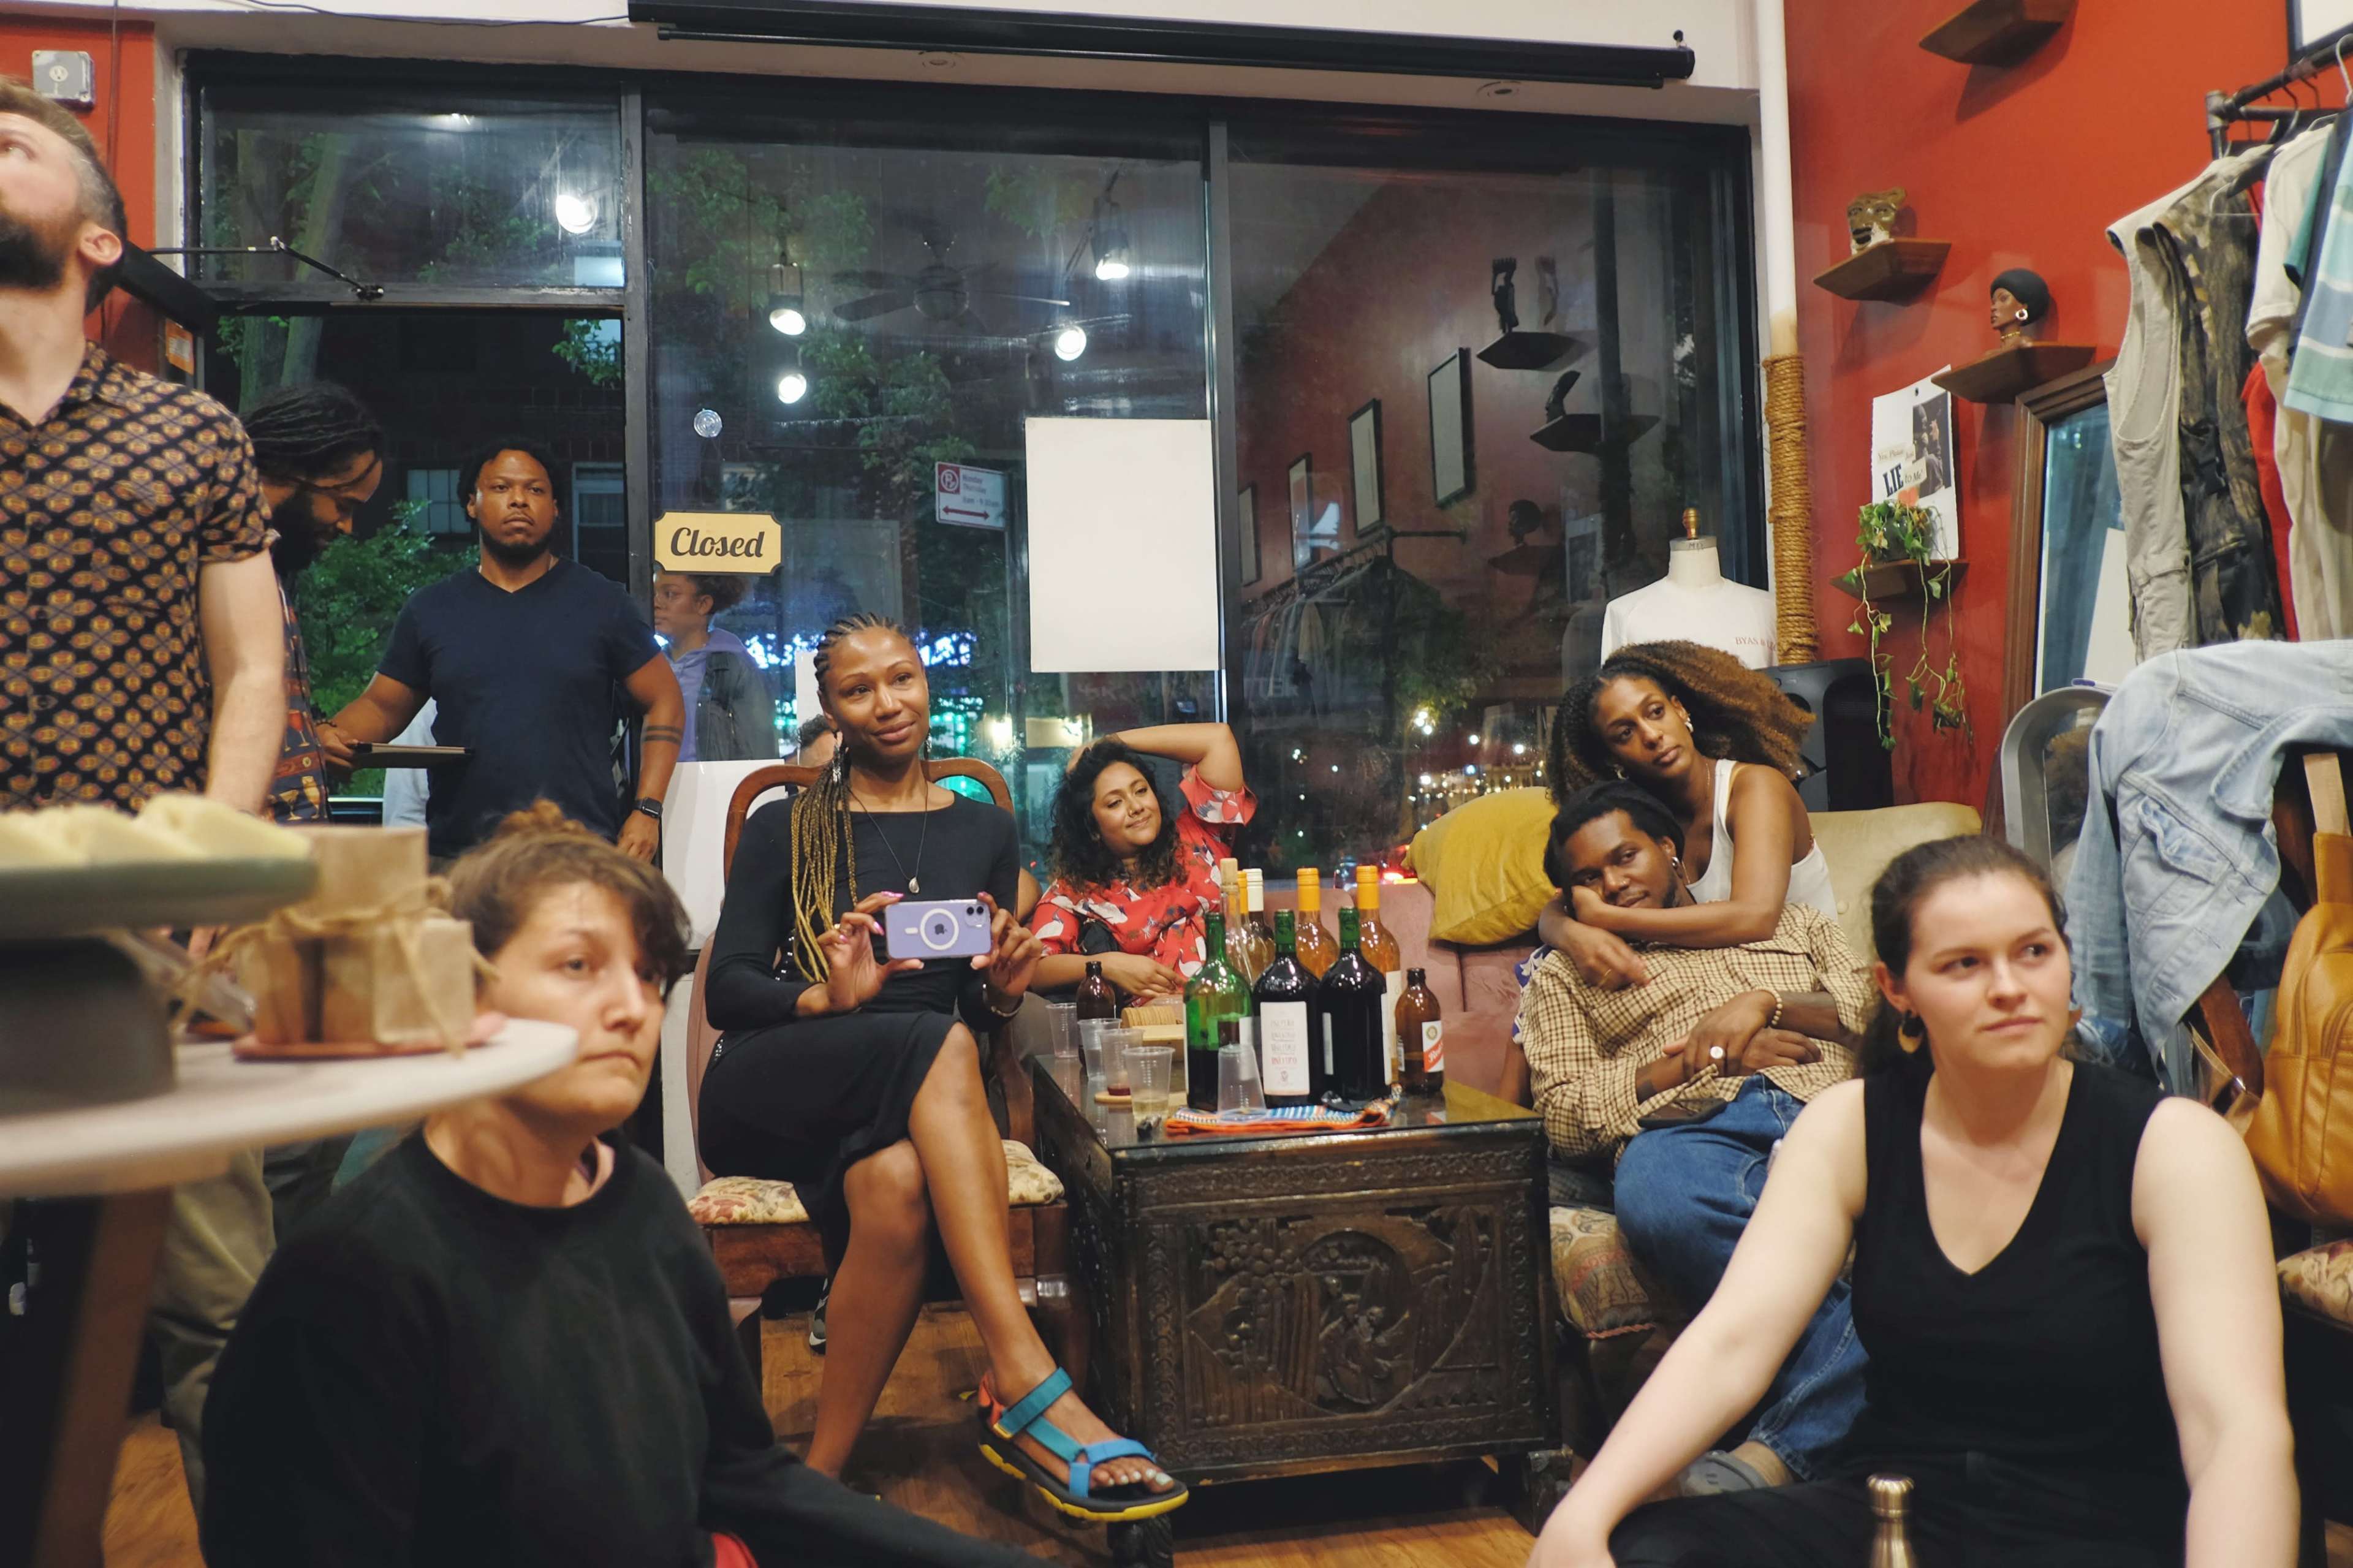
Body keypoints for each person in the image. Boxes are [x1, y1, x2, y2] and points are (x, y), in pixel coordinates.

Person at [199, 805, 1050, 1568]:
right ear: (456, 987)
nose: (633, 1007)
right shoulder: (350, 1276)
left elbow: (745, 1477)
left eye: (648, 975)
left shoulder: (639, 1203)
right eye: (579, 965)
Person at [1530, 835, 2296, 1568]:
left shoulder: (2175, 1148)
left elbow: (2236, 1433)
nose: (2008, 987)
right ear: (1897, 990)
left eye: (2034, 951)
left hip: (2101, 1526)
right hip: (1902, 1509)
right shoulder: (1852, 1128)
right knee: (1650, 1550)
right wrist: (1586, 1512)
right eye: (1963, 964)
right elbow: (1732, 1344)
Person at [699, 613, 1184, 1520]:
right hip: (780, 1073)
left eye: (903, 678)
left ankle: (813, 1487)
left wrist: (1003, 990)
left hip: (918, 1090)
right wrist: (823, 996)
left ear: (927, 682)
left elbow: (969, 1011)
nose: (887, 703)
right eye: (858, 689)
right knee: (940, 1046)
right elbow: (726, 988)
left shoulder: (985, 829)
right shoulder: (788, 827)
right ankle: (1022, 1366)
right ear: (830, 708)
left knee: (891, 1182)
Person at [0, 79, 285, 1513]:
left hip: (143, 932)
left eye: (19, 139)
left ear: (101, 241)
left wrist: (211, 880)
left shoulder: (195, 435)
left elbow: (251, 674)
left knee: (223, 1315)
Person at [1519, 782, 1873, 1494]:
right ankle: (1829, 1417)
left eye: (1626, 858)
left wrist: (1769, 1007)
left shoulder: (1795, 925)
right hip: (1689, 1130)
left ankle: (1769, 1459)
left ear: (1671, 852)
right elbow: (1561, 1112)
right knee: (1660, 1199)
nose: (1614, 882)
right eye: (1589, 878)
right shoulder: (1565, 975)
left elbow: (1873, 1009)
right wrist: (1697, 1057)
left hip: (1833, 1110)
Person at [320, 439, 683, 863]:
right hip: (460, 858)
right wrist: (333, 734)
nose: (518, 501)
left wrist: (647, 810)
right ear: (471, 503)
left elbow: (665, 700)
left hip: (577, 853)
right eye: (500, 488)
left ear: (556, 507)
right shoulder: (432, 609)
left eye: (535, 490)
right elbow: (382, 707)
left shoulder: (602, 603)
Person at [1539, 642, 1832, 991]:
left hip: (1812, 991)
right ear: (1611, 759)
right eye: (1625, 733)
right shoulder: (1637, 821)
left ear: (1680, 710)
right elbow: (1557, 908)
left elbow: (1756, 918)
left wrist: (1609, 919)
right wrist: (1571, 934)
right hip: (1718, 992)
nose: (1651, 736)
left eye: (1655, 712)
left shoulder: (1754, 788)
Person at [241, 381, 385, 825]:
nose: (346, 527)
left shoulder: (266, 569)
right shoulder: (212, 569)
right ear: (285, 469)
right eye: (342, 504)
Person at [1029, 724, 1255, 1004]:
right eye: (1115, 803)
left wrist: (1109, 740)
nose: (1136, 807)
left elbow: (1217, 740)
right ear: (1093, 828)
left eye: (1140, 790)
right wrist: (1107, 965)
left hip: (1235, 1008)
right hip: (1152, 1029)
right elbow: (1034, 970)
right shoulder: (1074, 891)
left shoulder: (1199, 839)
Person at [653, 568, 778, 763]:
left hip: (713, 791)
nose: (656, 603)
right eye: (654, 593)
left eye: (670, 594)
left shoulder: (733, 668)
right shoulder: (649, 665)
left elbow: (760, 753)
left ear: (703, 604)